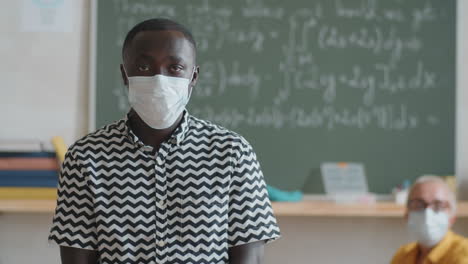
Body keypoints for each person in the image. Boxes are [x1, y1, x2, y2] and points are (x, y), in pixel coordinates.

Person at [48, 18, 280, 264]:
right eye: (144, 67)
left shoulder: (233, 153)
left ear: (194, 77)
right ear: (124, 75)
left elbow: (250, 257)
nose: (159, 80)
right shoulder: (85, 157)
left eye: (175, 67)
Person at [390, 176, 468, 264]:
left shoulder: (464, 255)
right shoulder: (402, 255)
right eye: (418, 204)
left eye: (438, 205)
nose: (427, 214)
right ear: (407, 215)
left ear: (452, 218)